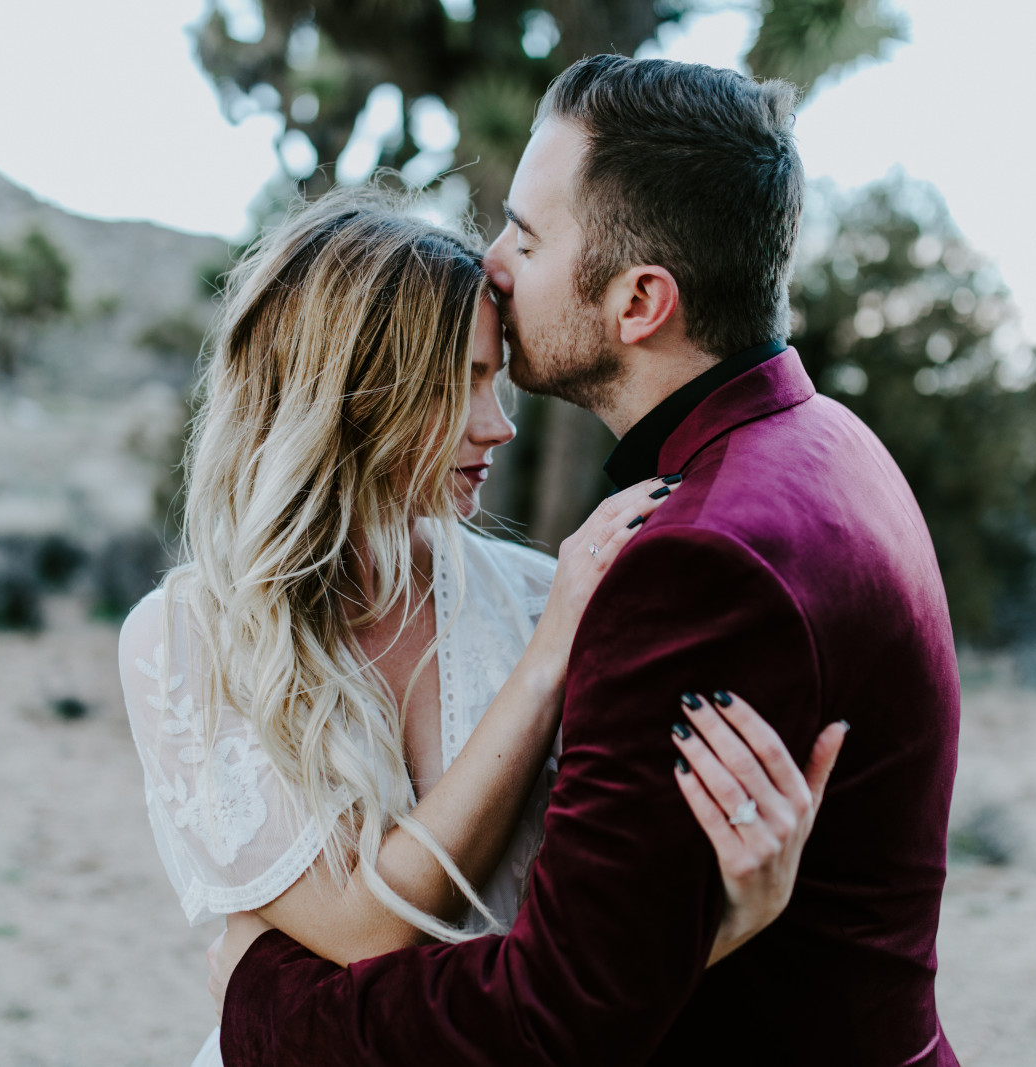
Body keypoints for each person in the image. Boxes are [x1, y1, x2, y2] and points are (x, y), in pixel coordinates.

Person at [209, 54, 962, 1066]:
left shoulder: (698, 560)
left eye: (525, 233)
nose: (493, 261)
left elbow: (556, 1017)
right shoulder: (828, 442)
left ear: (640, 301)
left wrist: (264, 1001)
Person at [117, 194, 845, 1066]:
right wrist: (543, 669)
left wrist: (732, 918)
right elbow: (367, 933)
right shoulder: (188, 639)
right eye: (458, 380)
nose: (499, 423)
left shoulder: (545, 593)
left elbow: (593, 948)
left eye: (495, 377)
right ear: (351, 391)